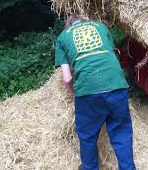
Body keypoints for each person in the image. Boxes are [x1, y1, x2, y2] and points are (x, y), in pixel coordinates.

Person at [55, 14, 136, 170]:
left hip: (88, 91)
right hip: (116, 85)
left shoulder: (62, 37)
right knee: (121, 133)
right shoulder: (100, 27)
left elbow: (66, 77)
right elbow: (111, 54)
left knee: (87, 136)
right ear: (85, 20)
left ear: (68, 25)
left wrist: (73, 95)